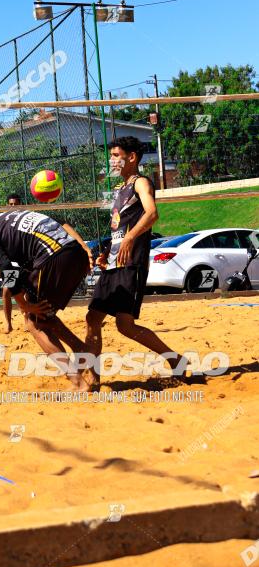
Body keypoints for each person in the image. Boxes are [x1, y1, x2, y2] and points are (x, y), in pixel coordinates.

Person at [85, 137, 190, 387]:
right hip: (114, 263)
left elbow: (152, 213)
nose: (112, 160)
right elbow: (118, 229)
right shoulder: (119, 189)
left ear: (131, 157)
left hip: (132, 264)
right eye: (110, 155)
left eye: (116, 155)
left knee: (125, 325)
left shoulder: (141, 183)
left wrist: (131, 237)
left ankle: (176, 360)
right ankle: (92, 378)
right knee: (92, 318)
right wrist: (106, 253)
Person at [0, 201, 94, 385]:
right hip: (75, 253)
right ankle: (79, 348)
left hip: (53, 258)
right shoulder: (6, 217)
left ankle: (77, 382)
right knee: (42, 313)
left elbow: (5, 266)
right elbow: (58, 224)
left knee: (32, 322)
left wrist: (23, 304)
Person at [2, 193, 23, 333]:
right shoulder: (3, 222)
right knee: (6, 291)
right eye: (11, 205)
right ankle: (8, 323)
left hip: (28, 261)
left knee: (27, 292)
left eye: (15, 204)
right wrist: (0, 264)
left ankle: (28, 319)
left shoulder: (26, 219)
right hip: (11, 263)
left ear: (20, 205)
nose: (13, 207)